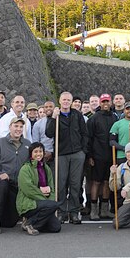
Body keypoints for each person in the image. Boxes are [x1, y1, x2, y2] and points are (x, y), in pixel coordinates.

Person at [46, 91, 89, 224]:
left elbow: (84, 134)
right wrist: (53, 118)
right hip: (61, 154)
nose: (66, 102)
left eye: (68, 100)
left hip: (77, 153)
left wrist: (83, 151)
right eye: (63, 99)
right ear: (59, 100)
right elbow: (49, 133)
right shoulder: (55, 116)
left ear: (71, 102)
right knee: (61, 183)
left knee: (75, 184)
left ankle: (74, 212)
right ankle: (62, 211)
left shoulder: (77, 115)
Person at [0, 117, 31, 233]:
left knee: (9, 223)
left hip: (17, 184)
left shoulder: (27, 144)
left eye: (21, 127)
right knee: (2, 184)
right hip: (0, 181)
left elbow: (30, 164)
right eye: (16, 126)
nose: (18, 129)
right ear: (10, 127)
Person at [16, 142, 60, 235]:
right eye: (35, 152)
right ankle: (30, 222)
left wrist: (50, 200)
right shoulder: (25, 168)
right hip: (28, 202)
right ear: (31, 154)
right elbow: (29, 190)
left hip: (44, 202)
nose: (38, 154)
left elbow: (51, 187)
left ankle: (31, 224)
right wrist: (46, 200)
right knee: (53, 205)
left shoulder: (46, 168)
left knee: (56, 227)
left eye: (40, 151)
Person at [86, 94, 117, 220]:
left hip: (111, 155)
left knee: (106, 182)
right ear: (100, 102)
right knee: (96, 182)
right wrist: (90, 156)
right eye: (103, 101)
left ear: (110, 103)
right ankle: (94, 210)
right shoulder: (94, 118)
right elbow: (88, 138)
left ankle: (104, 209)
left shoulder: (115, 118)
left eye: (107, 101)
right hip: (97, 155)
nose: (105, 103)